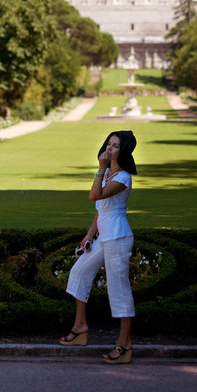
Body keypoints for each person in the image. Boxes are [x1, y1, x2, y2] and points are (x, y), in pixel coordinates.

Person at [59, 130, 137, 364]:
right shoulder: (108, 174)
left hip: (118, 237)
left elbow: (95, 195)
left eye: (115, 146)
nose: (109, 148)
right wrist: (89, 235)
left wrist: (100, 168)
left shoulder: (122, 177)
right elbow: (100, 209)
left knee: (119, 289)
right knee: (78, 272)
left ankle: (125, 345)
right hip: (104, 236)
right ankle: (81, 327)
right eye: (108, 144)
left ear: (123, 151)